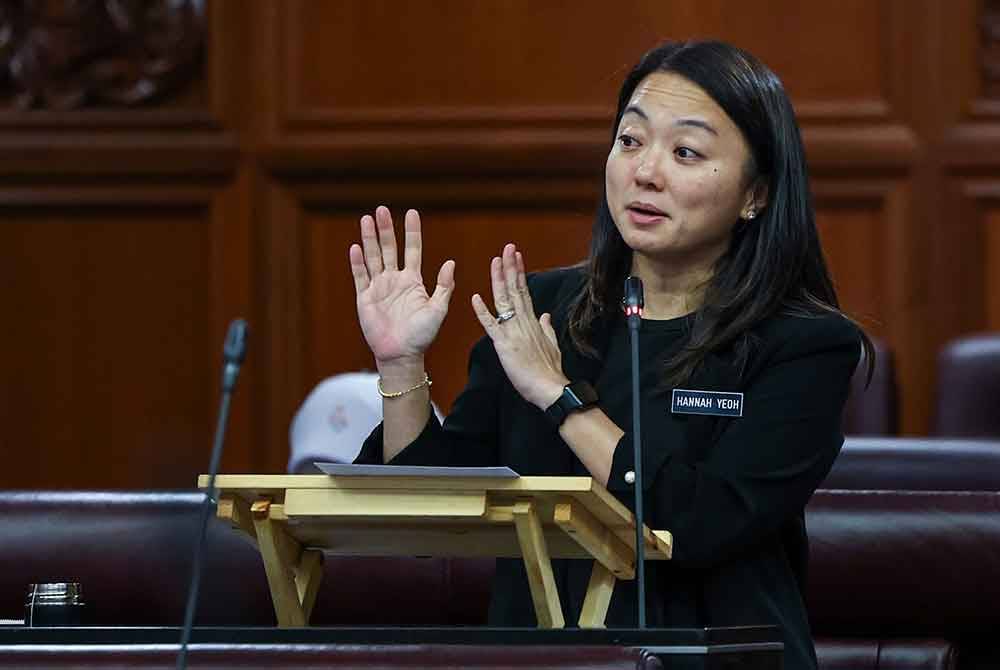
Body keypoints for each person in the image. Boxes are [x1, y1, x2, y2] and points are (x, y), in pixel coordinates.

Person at [347, 40, 872, 670]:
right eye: (630, 141)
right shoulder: (540, 308)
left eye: (685, 152)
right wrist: (401, 365)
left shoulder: (805, 346)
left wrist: (559, 397)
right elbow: (432, 512)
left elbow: (700, 526)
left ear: (755, 193)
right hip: (541, 659)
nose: (645, 171)